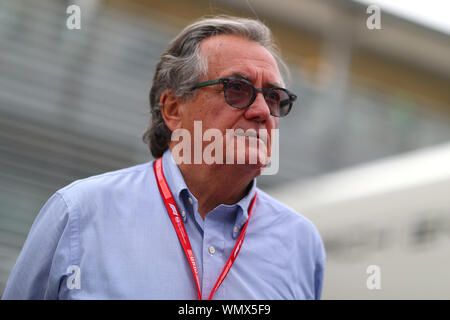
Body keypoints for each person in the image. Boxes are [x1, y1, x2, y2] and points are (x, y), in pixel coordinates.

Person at [2, 15, 325, 300]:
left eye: (273, 97)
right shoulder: (79, 213)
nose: (261, 112)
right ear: (173, 108)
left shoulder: (301, 244)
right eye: (236, 88)